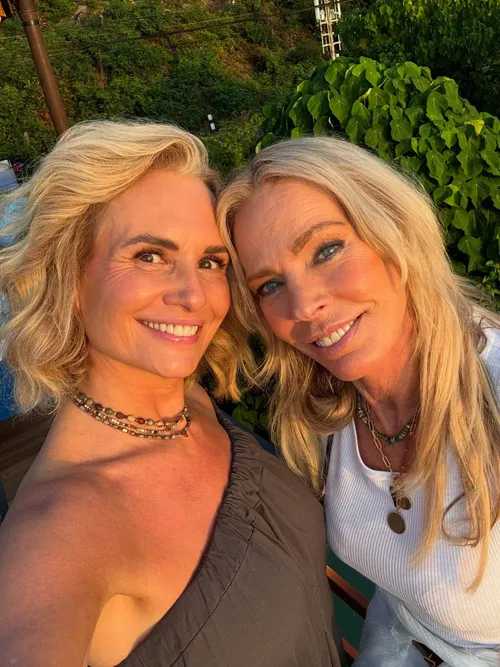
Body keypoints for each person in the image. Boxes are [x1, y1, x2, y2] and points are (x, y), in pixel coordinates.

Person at [0, 122, 342, 667]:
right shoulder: (57, 534)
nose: (193, 295)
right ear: (69, 278)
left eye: (210, 262)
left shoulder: (194, 403)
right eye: (149, 256)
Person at [218, 136, 500, 667]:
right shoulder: (323, 414)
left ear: (394, 231)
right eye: (270, 285)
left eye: (326, 250)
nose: (305, 306)